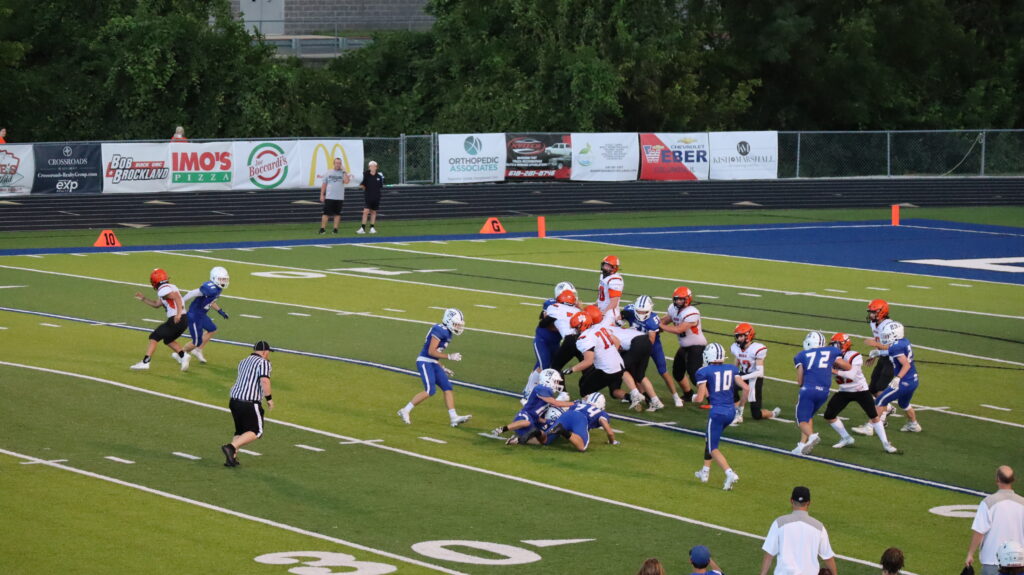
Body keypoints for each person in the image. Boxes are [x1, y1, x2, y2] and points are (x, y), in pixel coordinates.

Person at [397, 308, 472, 427]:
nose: (458, 327)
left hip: (433, 362)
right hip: (424, 361)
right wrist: (449, 356)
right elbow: (431, 352)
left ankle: (454, 417)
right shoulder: (439, 330)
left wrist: (442, 367)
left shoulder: (448, 332)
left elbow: (436, 354)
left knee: (447, 387)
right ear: (448, 320)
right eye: (456, 324)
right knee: (430, 390)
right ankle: (405, 410)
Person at [823, 333, 898, 453]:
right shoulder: (830, 357)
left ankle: (886, 444)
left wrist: (833, 370)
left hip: (860, 390)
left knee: (874, 416)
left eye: (836, 344)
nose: (834, 347)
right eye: (832, 344)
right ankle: (846, 438)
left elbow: (851, 375)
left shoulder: (854, 355)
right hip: (844, 390)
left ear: (845, 344)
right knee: (829, 415)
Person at [692, 343, 746, 491]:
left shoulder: (703, 371)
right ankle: (705, 471)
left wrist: (693, 397)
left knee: (712, 447)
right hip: (731, 411)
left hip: (718, 412)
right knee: (709, 438)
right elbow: (746, 388)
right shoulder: (732, 368)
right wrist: (740, 408)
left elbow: (700, 398)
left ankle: (729, 473)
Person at [792, 331, 851, 455]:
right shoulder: (831, 351)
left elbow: (800, 381)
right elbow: (847, 366)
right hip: (824, 392)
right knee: (808, 416)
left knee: (801, 420)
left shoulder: (801, 355)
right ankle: (802, 445)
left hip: (809, 389)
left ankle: (812, 436)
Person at [759, 486, 838, 575]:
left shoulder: (779, 523)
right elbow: (828, 557)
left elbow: (769, 555)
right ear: (809, 503)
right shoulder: (819, 528)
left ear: (791, 501)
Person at [621, 295, 683, 407]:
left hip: (652, 346)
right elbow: (619, 319)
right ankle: (641, 396)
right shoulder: (629, 310)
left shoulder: (653, 320)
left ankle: (675, 396)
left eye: (643, 311)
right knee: (634, 371)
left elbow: (651, 340)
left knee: (663, 371)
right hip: (636, 345)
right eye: (638, 311)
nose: (640, 314)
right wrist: (621, 323)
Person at [221, 341, 273, 467]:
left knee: (240, 431)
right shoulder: (263, 363)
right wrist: (269, 399)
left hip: (234, 400)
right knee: (257, 431)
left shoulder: (243, 361)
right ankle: (231, 447)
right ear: (265, 352)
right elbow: (264, 381)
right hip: (249, 402)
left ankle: (231, 459)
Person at [522, 284, 579, 402]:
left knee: (547, 366)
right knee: (544, 366)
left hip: (555, 342)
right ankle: (528, 392)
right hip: (543, 340)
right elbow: (546, 323)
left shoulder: (568, 307)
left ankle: (536, 390)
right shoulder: (552, 305)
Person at [967, 466, 1024, 575]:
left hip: (992, 560)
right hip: (1019, 563)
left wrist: (970, 554)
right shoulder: (1022, 503)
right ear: (1013, 480)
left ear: (997, 479)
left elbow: (979, 531)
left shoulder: (988, 502)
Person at [130, 268, 191, 372]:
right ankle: (183, 355)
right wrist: (144, 299)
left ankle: (145, 362)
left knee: (154, 336)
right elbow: (157, 304)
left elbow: (177, 298)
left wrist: (178, 314)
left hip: (177, 318)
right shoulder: (170, 287)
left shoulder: (163, 289)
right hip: (184, 320)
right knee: (168, 339)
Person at [493, 369, 573, 445]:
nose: (557, 383)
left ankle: (516, 440)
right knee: (527, 422)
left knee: (540, 439)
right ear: (548, 380)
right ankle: (502, 429)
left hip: (534, 419)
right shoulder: (541, 388)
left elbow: (543, 410)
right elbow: (555, 403)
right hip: (525, 415)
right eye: (556, 381)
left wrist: (546, 421)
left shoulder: (547, 391)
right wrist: (573, 404)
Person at [873, 321, 922, 433]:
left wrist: (898, 378)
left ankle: (870, 427)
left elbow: (906, 365)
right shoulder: (904, 341)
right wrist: (880, 353)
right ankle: (914, 425)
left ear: (895, 334)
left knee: (880, 400)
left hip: (904, 381)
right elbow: (893, 351)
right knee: (904, 404)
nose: (885, 338)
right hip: (913, 380)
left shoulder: (896, 346)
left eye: (888, 335)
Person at [730, 323, 781, 425]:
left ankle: (772, 413)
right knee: (731, 387)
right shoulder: (736, 347)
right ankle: (737, 413)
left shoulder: (757, 349)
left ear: (748, 336)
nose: (738, 339)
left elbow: (759, 372)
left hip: (755, 378)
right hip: (743, 373)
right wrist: (733, 375)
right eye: (737, 336)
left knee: (756, 414)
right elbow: (737, 362)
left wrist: (741, 378)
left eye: (740, 336)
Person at [660, 286, 703, 403]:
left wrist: (661, 326)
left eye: (681, 299)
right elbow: (666, 319)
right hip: (684, 346)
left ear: (688, 299)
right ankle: (688, 394)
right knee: (677, 373)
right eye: (676, 299)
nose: (678, 301)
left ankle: (712, 399)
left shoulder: (692, 312)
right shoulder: (673, 309)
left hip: (696, 345)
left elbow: (679, 329)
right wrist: (654, 323)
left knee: (694, 374)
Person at [181, 266, 230, 364]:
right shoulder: (209, 288)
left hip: (202, 314)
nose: (224, 281)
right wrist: (181, 303)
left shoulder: (218, 289)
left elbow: (211, 301)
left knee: (212, 330)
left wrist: (220, 311)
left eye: (225, 279)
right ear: (214, 278)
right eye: (221, 279)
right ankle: (180, 354)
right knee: (196, 341)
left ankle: (197, 350)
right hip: (194, 315)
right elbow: (191, 293)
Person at [543, 391, 618, 451]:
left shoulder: (579, 404)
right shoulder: (601, 413)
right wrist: (612, 442)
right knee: (582, 446)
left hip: (567, 414)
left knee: (544, 440)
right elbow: (610, 433)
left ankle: (536, 431)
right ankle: (562, 430)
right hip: (580, 419)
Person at [318, 157, 350, 235]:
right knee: (326, 214)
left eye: (339, 163)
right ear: (334, 163)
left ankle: (335, 229)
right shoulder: (328, 172)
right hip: (329, 197)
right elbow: (324, 184)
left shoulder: (343, 173)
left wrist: (345, 171)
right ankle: (322, 229)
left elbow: (346, 181)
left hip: (339, 197)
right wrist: (322, 194)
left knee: (337, 214)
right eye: (336, 163)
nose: (338, 164)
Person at [357, 160, 384, 234]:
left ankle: (372, 228)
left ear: (376, 167)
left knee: (373, 212)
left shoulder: (379, 177)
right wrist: (363, 187)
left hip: (376, 197)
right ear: (369, 167)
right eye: (370, 166)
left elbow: (380, 186)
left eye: (373, 166)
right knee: (365, 211)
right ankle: (362, 228)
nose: (372, 167)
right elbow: (362, 185)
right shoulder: (366, 175)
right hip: (368, 196)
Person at [596, 255, 623, 321]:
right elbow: (601, 296)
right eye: (605, 265)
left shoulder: (615, 280)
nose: (605, 268)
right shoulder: (603, 276)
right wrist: (595, 305)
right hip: (601, 310)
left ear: (614, 268)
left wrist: (603, 314)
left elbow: (614, 302)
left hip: (610, 314)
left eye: (608, 266)